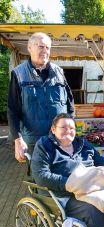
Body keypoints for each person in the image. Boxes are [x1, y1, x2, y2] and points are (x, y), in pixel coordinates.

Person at [8, 32, 74, 162]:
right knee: (39, 179)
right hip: (35, 142)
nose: (45, 51)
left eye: (47, 48)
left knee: (64, 176)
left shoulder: (59, 72)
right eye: (40, 47)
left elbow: (69, 103)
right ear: (29, 48)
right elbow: (13, 110)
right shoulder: (19, 74)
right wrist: (18, 139)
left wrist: (69, 128)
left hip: (60, 140)